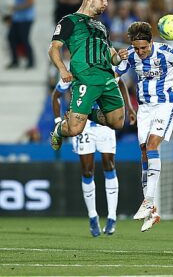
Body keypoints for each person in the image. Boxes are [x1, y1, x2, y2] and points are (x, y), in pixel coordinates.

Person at [116, 21, 173, 232]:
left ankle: (147, 200)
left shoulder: (167, 53)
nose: (140, 52)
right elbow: (115, 77)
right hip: (145, 109)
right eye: (136, 48)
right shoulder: (130, 55)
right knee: (144, 153)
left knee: (153, 145)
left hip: (166, 104)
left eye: (144, 48)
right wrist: (114, 59)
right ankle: (153, 211)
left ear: (151, 42)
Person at [51, 77, 135, 237]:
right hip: (82, 125)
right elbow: (56, 95)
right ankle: (92, 216)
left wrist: (129, 107)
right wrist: (58, 123)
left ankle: (111, 217)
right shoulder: (73, 72)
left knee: (109, 166)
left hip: (104, 123)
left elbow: (121, 82)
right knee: (87, 171)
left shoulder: (103, 67)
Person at [48, 0, 126, 151]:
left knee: (117, 122)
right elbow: (53, 48)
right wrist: (62, 69)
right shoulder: (69, 21)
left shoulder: (101, 26)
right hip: (85, 79)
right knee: (75, 129)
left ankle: (86, 113)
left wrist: (118, 57)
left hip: (107, 78)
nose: (106, 3)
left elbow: (112, 55)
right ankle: (58, 130)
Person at [6, 0, 35, 69]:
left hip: (26, 18)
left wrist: (16, 7)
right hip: (17, 18)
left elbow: (31, 2)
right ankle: (15, 60)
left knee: (24, 39)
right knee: (11, 38)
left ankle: (31, 61)